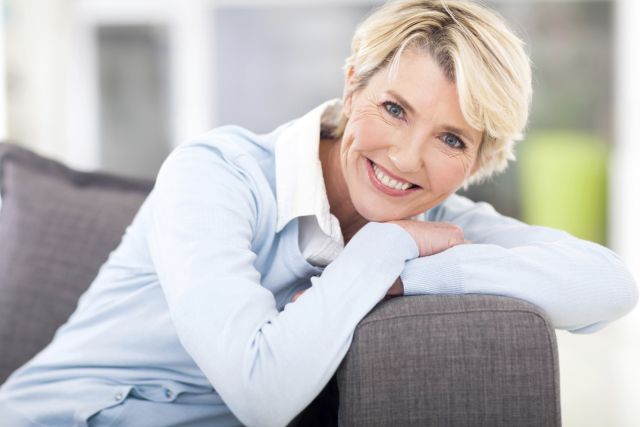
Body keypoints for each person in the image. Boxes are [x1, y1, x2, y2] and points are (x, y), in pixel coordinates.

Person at [0, 0, 637, 426]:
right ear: (352, 83)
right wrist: (382, 252)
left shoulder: (434, 225)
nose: (408, 159)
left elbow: (610, 284)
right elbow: (262, 393)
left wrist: (410, 275)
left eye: (452, 139)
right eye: (394, 108)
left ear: (478, 160)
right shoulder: (218, 172)